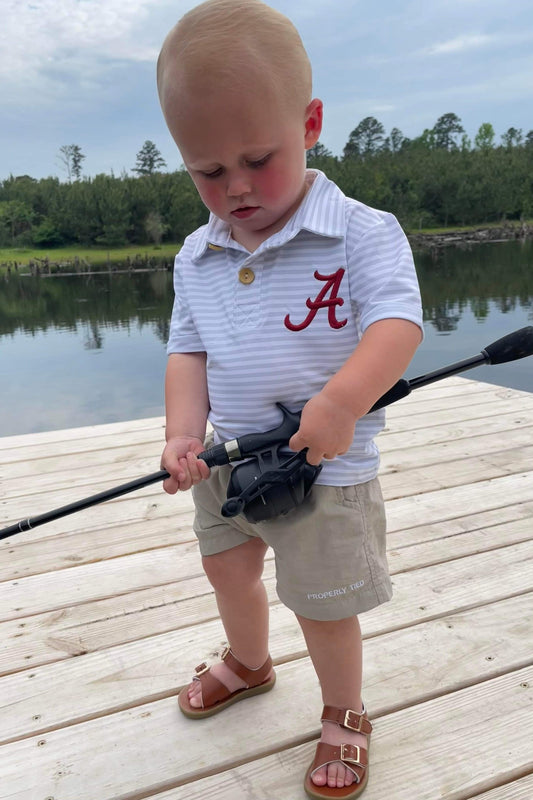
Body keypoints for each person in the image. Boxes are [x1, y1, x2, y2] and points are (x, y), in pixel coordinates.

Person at [157, 1, 423, 796]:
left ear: (308, 123)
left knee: (321, 602)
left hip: (324, 472)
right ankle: (248, 661)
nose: (235, 187)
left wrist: (342, 401)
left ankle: (344, 712)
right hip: (224, 464)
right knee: (229, 569)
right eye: (208, 171)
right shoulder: (195, 256)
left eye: (257, 159)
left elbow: (398, 326)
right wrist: (182, 434)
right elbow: (186, 349)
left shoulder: (363, 232)